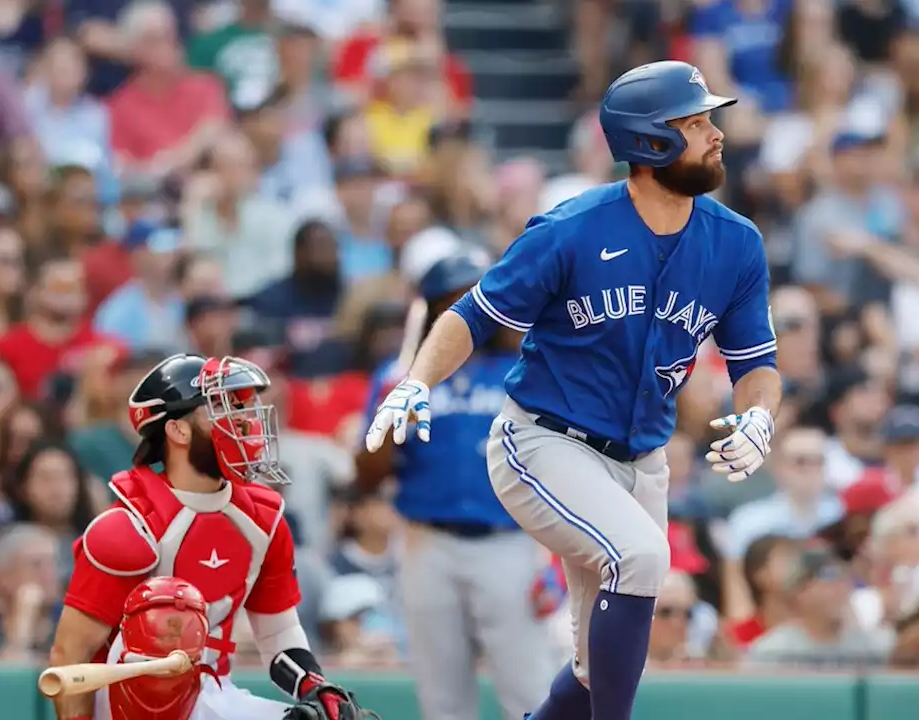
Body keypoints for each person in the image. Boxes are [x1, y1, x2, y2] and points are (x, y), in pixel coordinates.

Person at [365, 61, 783, 720]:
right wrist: (417, 378)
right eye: (696, 121)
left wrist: (759, 416)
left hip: (642, 459)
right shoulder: (573, 227)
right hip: (543, 442)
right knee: (643, 558)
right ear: (649, 143)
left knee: (595, 669)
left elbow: (754, 361)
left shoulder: (736, 242)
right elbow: (473, 315)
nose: (715, 133)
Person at [47, 353, 375, 720]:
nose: (244, 420)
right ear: (177, 430)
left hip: (213, 694)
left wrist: (315, 687)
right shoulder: (128, 525)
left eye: (241, 406)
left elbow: (278, 633)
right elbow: (69, 654)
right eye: (221, 406)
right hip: (134, 701)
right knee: (169, 605)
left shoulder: (262, 520)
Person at [355, 252, 552, 720]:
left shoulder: (525, 368)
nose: (472, 311)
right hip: (428, 541)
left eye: (478, 297)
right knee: (442, 698)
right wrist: (391, 408)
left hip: (508, 539)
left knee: (530, 689)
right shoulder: (401, 377)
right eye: (455, 300)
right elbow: (366, 474)